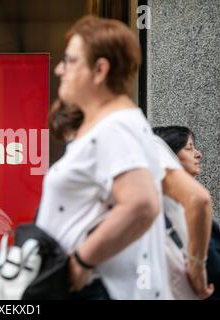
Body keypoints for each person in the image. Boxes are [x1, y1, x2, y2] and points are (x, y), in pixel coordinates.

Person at [36, 15, 170, 300]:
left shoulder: (116, 126)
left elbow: (142, 203)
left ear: (99, 70)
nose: (60, 69)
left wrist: (81, 261)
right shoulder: (113, 124)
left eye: (70, 61)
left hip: (99, 289)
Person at [154, 126, 217, 299]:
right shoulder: (185, 211)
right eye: (188, 148)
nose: (198, 154)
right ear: (169, 156)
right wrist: (197, 266)